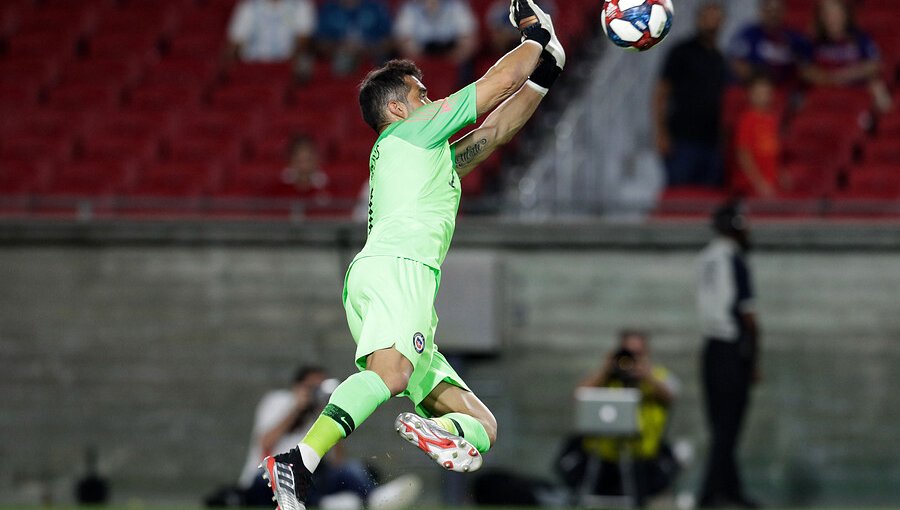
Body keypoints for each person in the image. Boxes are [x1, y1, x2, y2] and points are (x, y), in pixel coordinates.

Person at [259, 2, 566, 509]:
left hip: (395, 279)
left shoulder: (424, 152)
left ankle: (438, 429)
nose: (432, 100)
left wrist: (543, 78)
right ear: (398, 108)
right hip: (399, 271)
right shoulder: (410, 132)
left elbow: (493, 133)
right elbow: (495, 84)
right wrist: (535, 35)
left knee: (482, 429)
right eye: (422, 95)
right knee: (391, 375)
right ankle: (298, 462)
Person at [234, 366, 421, 509]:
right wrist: (297, 408)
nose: (316, 392)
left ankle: (374, 498)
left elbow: (338, 461)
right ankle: (332, 504)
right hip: (270, 475)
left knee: (352, 469)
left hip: (312, 476)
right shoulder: (279, 401)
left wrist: (327, 416)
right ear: (297, 387)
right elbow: (265, 442)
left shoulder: (322, 411)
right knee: (269, 482)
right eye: (311, 388)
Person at [696, 202, 761, 508]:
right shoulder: (734, 259)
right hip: (731, 347)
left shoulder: (706, 256)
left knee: (720, 426)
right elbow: (748, 316)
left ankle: (730, 491)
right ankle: (709, 494)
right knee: (728, 427)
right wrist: (754, 359)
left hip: (709, 345)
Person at [576, 330, 680, 507]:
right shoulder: (607, 378)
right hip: (605, 459)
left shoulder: (658, 376)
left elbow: (670, 395)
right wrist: (605, 370)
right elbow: (579, 394)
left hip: (644, 460)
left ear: (647, 354)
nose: (632, 359)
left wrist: (647, 376)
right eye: (627, 353)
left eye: (638, 354)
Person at [654, 2, 728, 187]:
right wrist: (662, 133)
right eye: (708, 18)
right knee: (680, 200)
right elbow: (661, 93)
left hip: (712, 143)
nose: (712, 23)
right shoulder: (681, 52)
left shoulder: (720, 59)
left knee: (707, 202)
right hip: (683, 142)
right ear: (699, 20)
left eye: (716, 19)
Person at [802, 0, 892, 113]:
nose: (832, 19)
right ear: (820, 18)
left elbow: (875, 64)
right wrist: (828, 79)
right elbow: (805, 70)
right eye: (827, 15)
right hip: (824, 87)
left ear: (845, 15)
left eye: (836, 14)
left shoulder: (860, 38)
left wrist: (845, 75)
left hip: (856, 85)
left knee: (876, 84)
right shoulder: (813, 42)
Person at [226, 0, 317, 79]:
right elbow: (236, 41)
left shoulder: (300, 4)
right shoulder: (249, 5)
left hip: (287, 65)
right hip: (253, 66)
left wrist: (285, 67)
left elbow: (303, 39)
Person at [728, 0, 811, 86]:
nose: (773, 15)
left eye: (777, 11)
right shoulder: (748, 34)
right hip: (755, 88)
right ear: (761, 11)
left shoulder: (795, 38)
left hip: (787, 91)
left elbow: (807, 68)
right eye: (769, 11)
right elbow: (738, 64)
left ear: (784, 12)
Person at [733, 76, 783, 198]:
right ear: (749, 94)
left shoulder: (772, 120)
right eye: (758, 93)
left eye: (766, 93)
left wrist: (780, 174)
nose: (762, 97)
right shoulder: (746, 120)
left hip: (769, 182)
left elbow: (774, 152)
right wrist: (759, 183)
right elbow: (743, 155)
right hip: (750, 185)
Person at [316, 0, 393, 76]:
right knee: (342, 62)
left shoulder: (376, 7)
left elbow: (390, 40)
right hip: (339, 55)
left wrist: (368, 48)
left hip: (372, 56)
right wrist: (341, 47)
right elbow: (320, 43)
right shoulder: (329, 9)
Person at [394, 0, 478, 64]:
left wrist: (451, 60)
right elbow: (403, 41)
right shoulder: (410, 8)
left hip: (452, 56)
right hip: (421, 57)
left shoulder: (456, 5)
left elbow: (468, 39)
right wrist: (424, 61)